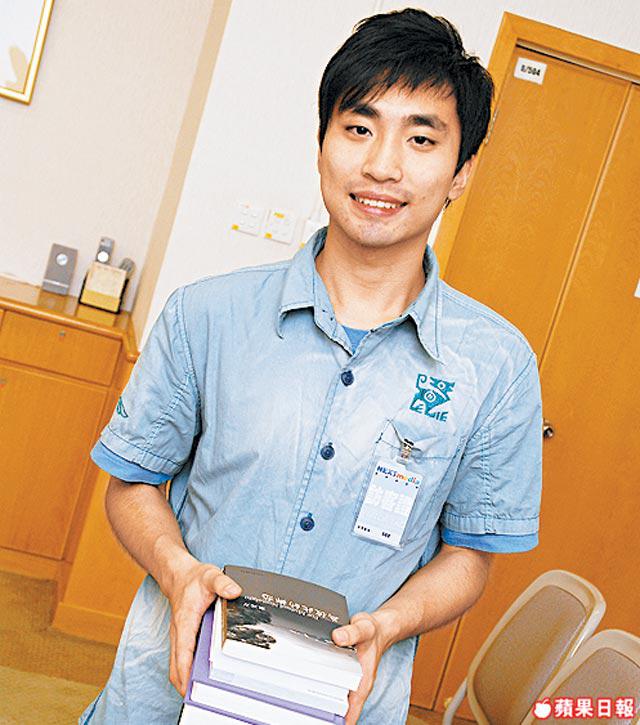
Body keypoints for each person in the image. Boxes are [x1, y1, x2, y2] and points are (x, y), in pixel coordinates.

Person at [80, 8, 542, 724]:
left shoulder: (498, 365)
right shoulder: (206, 315)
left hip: (341, 706)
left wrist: (389, 623)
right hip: (164, 695)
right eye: (358, 128)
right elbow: (133, 481)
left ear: (462, 172)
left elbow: (469, 554)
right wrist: (178, 570)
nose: (382, 165)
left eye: (421, 139)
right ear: (322, 144)